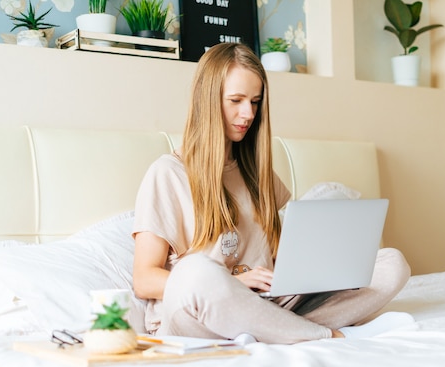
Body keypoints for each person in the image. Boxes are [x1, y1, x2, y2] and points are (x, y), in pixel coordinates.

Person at [132, 42, 412, 344]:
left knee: (392, 264)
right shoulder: (167, 173)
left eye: (255, 101)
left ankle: (268, 329)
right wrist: (233, 283)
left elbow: (280, 255)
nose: (248, 113)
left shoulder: (256, 173)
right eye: (236, 100)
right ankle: (325, 334)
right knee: (197, 271)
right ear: (208, 101)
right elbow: (144, 279)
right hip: (197, 313)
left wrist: (311, 269)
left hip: (266, 302)